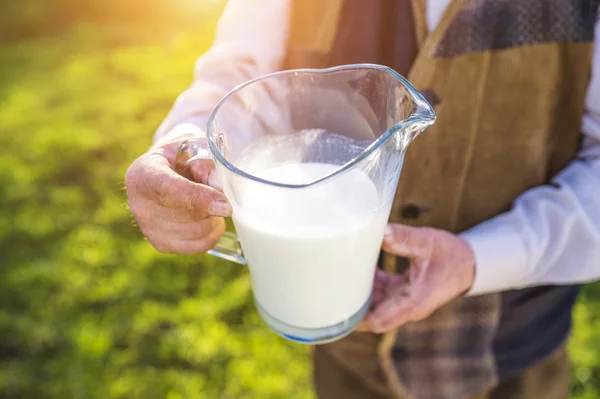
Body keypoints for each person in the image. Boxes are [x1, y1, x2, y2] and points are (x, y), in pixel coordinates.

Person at [125, 1, 600, 398]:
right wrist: (186, 151)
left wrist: (483, 257)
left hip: (512, 349)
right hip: (345, 359)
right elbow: (239, 71)